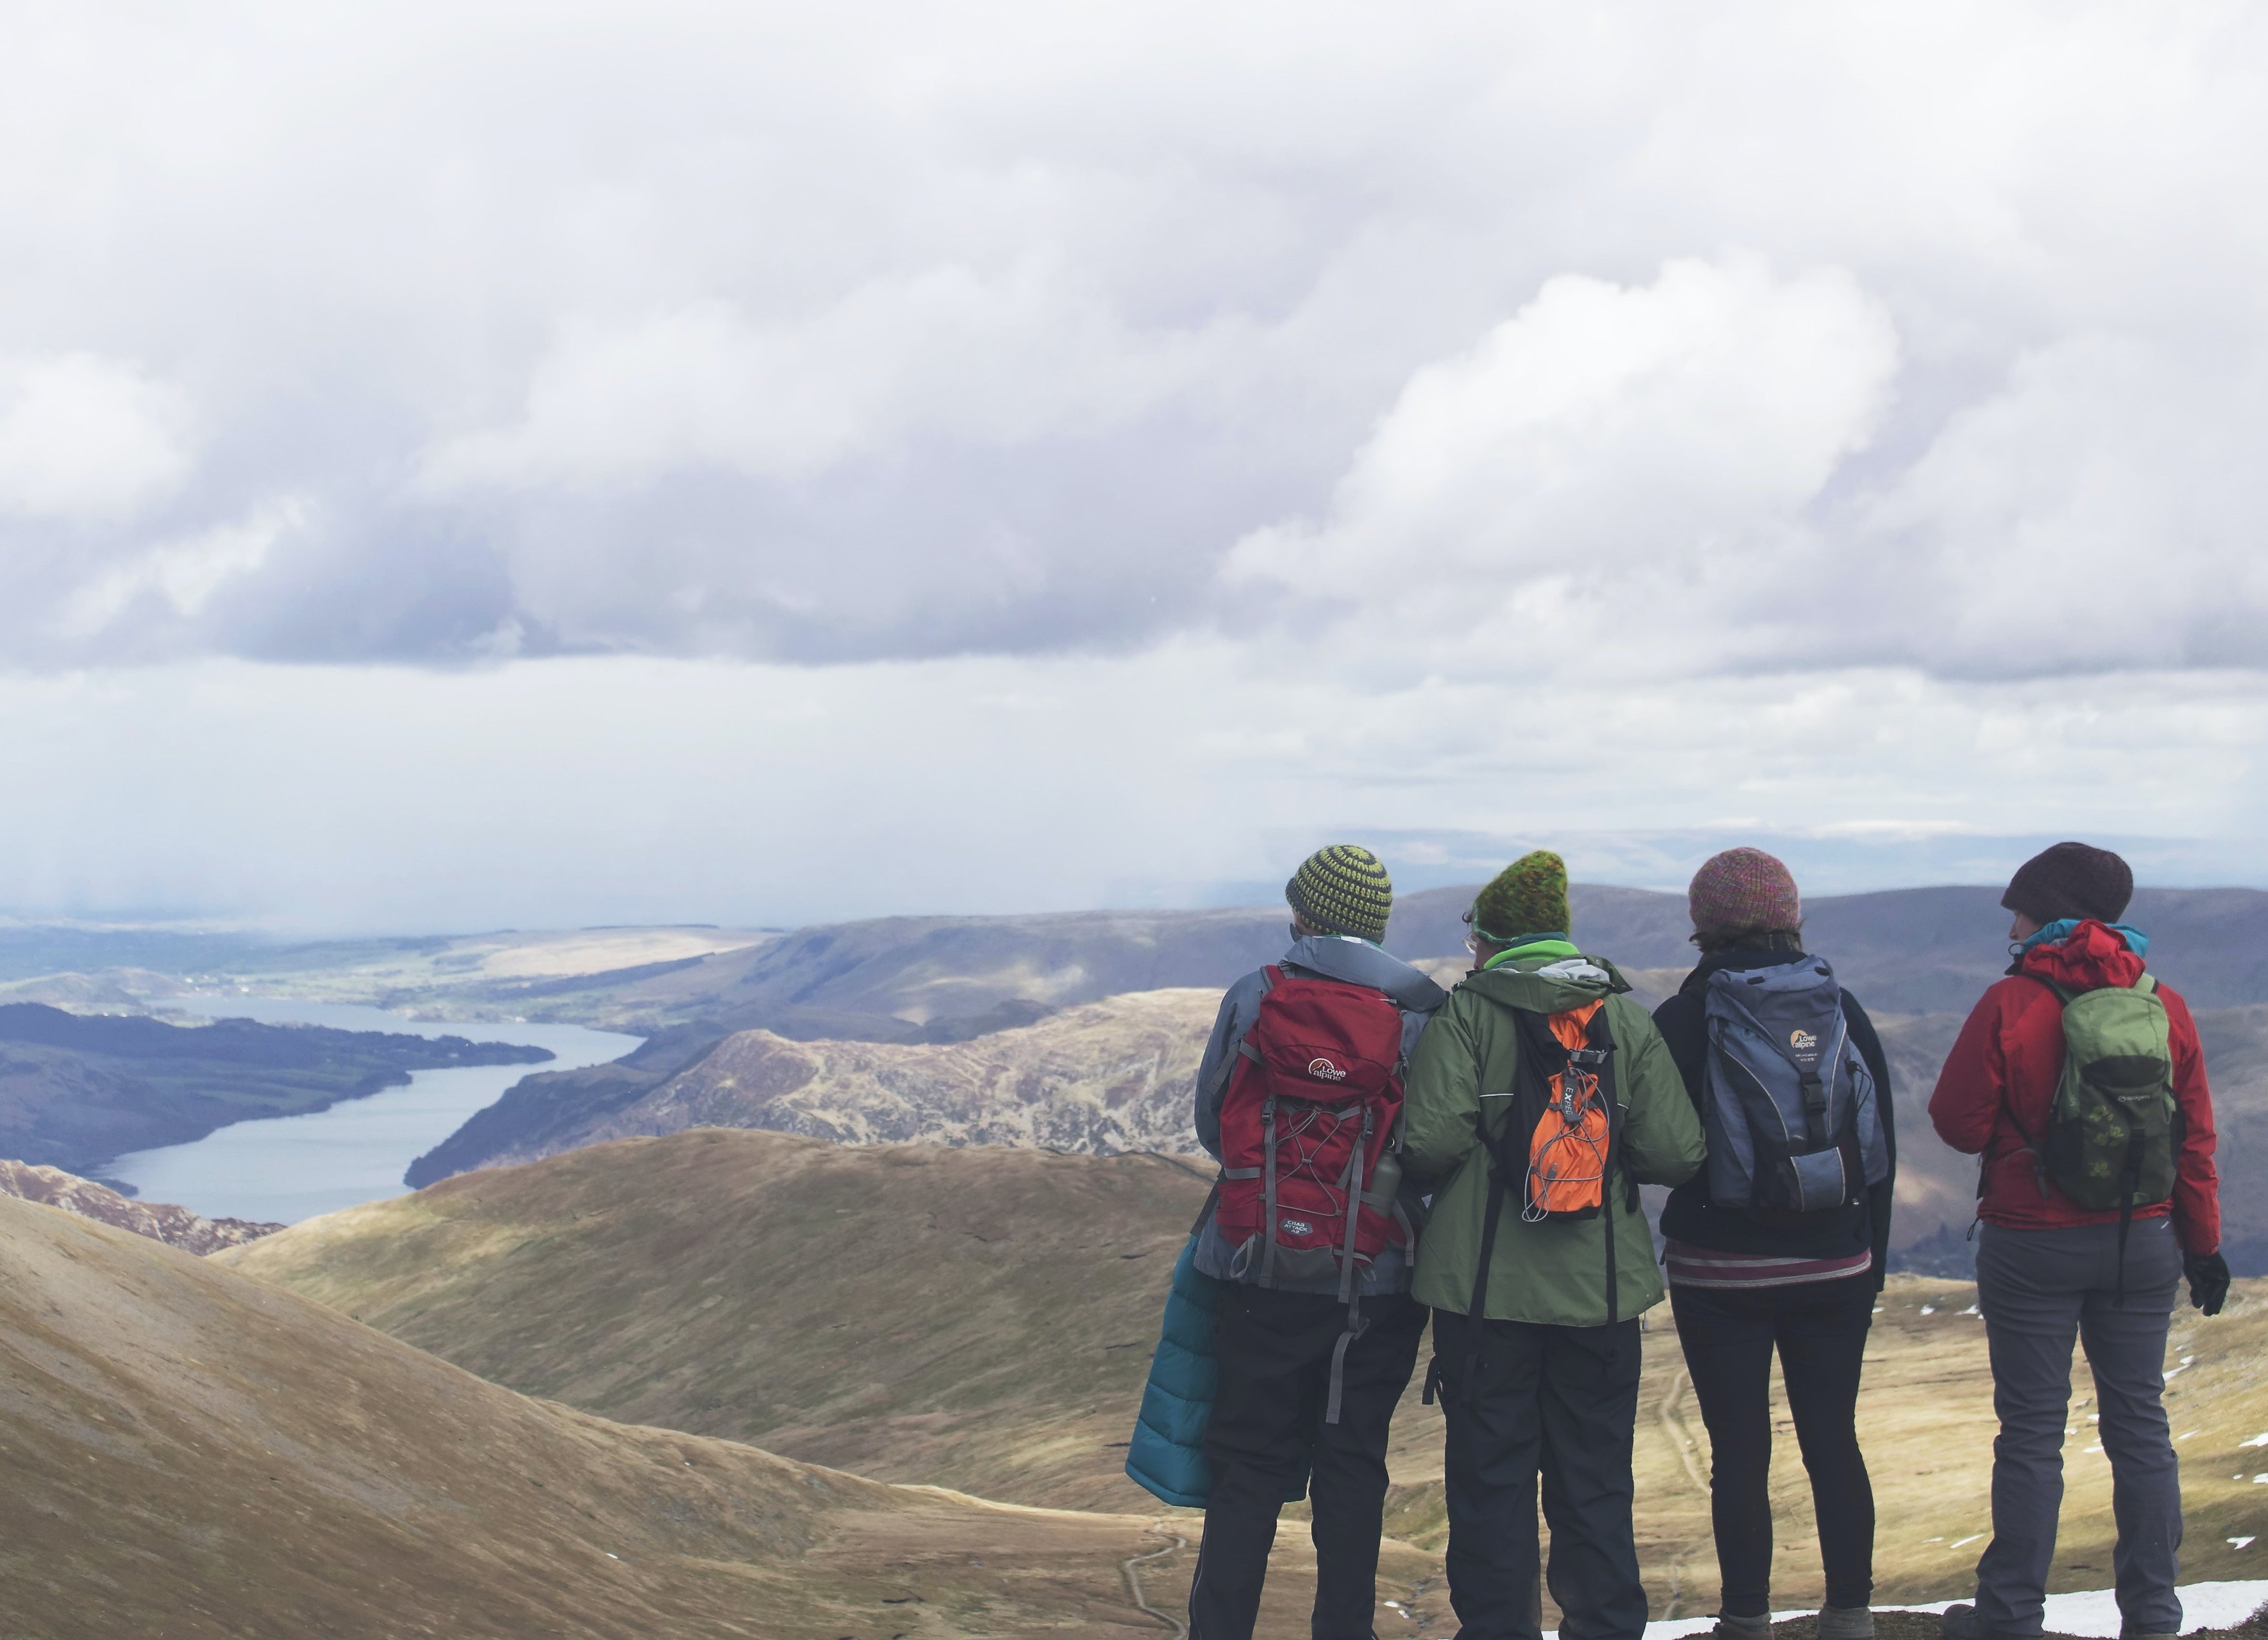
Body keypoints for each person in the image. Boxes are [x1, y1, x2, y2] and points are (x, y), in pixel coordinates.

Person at [1402, 850, 1705, 1640]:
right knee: (1594, 1482)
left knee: (1489, 1486)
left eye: (1475, 939)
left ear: (1492, 942)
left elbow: (1429, 1143)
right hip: (1597, 1299)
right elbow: (1676, 1154)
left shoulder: (1466, 1017)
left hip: (1482, 1301)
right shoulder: (1625, 1021)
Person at [1929, 842, 2228, 1640]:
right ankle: (2155, 1617)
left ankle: (2011, 1618)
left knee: (2030, 1432)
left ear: (2049, 912)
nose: (2012, 924)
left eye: (2019, 910)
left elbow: (1955, 1125)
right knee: (2140, 1425)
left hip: (2032, 1241)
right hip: (2144, 1239)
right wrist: (2202, 1246)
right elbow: (2193, 1139)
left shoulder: (2011, 1001)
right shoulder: (2164, 1002)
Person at [1184, 843, 1448, 1640]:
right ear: (1376, 923)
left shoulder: (1254, 994)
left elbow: (1212, 1123)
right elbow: (1433, 1147)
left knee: (1248, 1469)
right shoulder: (1422, 1012)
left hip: (1256, 1271)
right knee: (1351, 1465)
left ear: (1301, 913)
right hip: (1375, 1280)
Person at [1650, 848, 1896, 1640]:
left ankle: (1745, 1620)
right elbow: (1878, 1146)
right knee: (1833, 1437)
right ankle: (1850, 1614)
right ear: (1791, 917)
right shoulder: (1841, 1008)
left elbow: (1657, 1148)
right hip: (1836, 1264)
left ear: (1703, 925)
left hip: (1719, 1273)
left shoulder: (1684, 1019)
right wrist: (1870, 1265)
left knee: (1738, 1450)